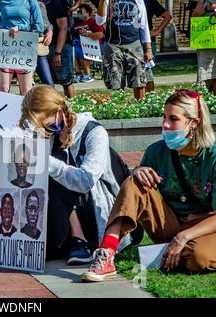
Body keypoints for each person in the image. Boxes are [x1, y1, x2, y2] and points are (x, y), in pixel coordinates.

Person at [0, 85, 124, 264]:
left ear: (60, 112)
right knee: (32, 174)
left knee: (48, 172)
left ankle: (79, 239)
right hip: (59, 214)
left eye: (46, 125)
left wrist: (43, 159)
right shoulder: (46, 133)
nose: (44, 131)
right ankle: (67, 240)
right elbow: (10, 178)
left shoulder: (93, 132)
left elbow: (86, 180)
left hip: (96, 212)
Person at [82, 90, 216, 282]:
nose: (165, 124)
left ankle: (168, 251)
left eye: (173, 119)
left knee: (198, 257)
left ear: (193, 123)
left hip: (206, 227)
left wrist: (185, 236)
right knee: (134, 181)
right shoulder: (156, 151)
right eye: (164, 117)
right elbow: (135, 194)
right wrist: (137, 171)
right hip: (171, 223)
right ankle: (106, 253)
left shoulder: (212, 156)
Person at [96, 0, 152, 100]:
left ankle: (140, 109)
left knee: (138, 81)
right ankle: (119, 110)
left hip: (134, 44)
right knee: (115, 83)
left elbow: (144, 25)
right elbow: (100, 21)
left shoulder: (138, 1)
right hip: (113, 45)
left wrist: (148, 48)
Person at [0, 0, 44, 96]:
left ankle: (25, 111)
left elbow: (39, 26)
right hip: (4, 47)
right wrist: (5, 25)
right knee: (3, 89)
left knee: (26, 91)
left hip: (24, 49)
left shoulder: (31, 1)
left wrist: (19, 27)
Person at [44, 0, 75, 98]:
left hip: (60, 47)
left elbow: (64, 28)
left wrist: (58, 52)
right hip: (48, 46)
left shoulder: (57, 3)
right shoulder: (45, 3)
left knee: (66, 81)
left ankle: (73, 107)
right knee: (51, 82)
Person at [144, 0, 172, 93]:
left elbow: (167, 16)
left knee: (147, 71)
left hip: (147, 40)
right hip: (130, 39)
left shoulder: (148, 1)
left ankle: (149, 97)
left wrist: (157, 31)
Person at [72, 3, 104, 83]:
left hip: (93, 47)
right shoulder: (77, 23)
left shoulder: (93, 21)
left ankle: (87, 74)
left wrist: (87, 34)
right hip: (78, 45)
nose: (80, 13)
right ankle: (78, 74)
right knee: (73, 51)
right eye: (78, 12)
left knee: (77, 51)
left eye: (81, 11)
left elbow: (100, 35)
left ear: (88, 12)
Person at [193, 0, 216, 95]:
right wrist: (208, 8)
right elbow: (195, 14)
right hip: (207, 41)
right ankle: (208, 103)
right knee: (206, 75)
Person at [36, 0, 54, 86]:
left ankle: (52, 99)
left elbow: (46, 23)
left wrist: (50, 31)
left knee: (49, 83)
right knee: (25, 85)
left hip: (38, 45)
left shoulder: (39, 4)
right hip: (20, 46)